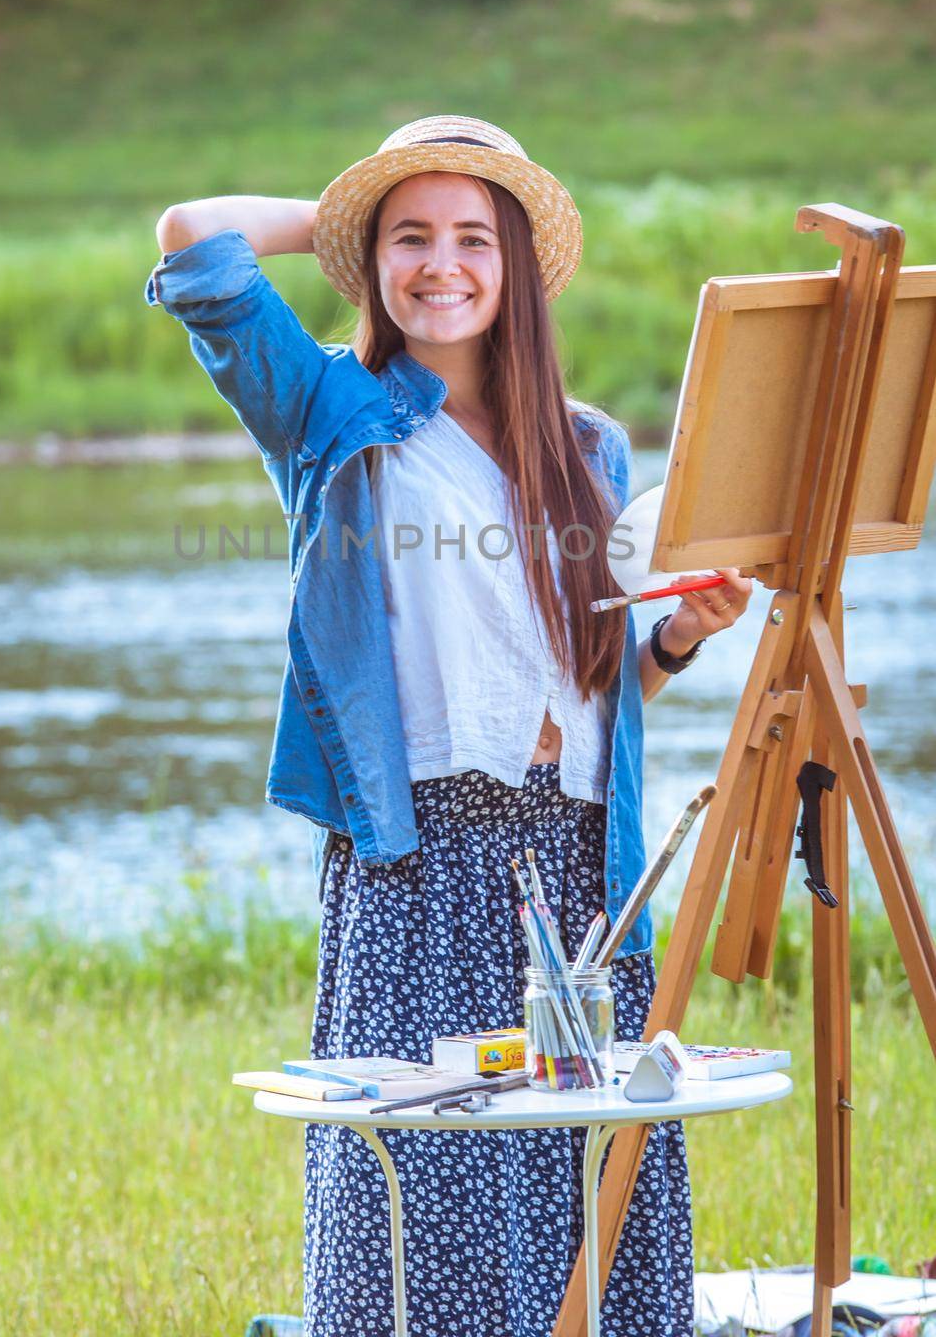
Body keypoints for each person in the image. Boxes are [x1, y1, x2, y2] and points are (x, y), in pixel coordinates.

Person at [146, 115, 753, 1337]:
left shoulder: (589, 447)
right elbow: (193, 242)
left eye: (474, 237)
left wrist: (678, 641)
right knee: (427, 1186)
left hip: (585, 872)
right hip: (420, 868)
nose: (443, 264)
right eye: (410, 237)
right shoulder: (329, 411)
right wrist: (339, 211)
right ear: (370, 262)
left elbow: (592, 699)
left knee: (592, 1185)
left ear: (516, 267)